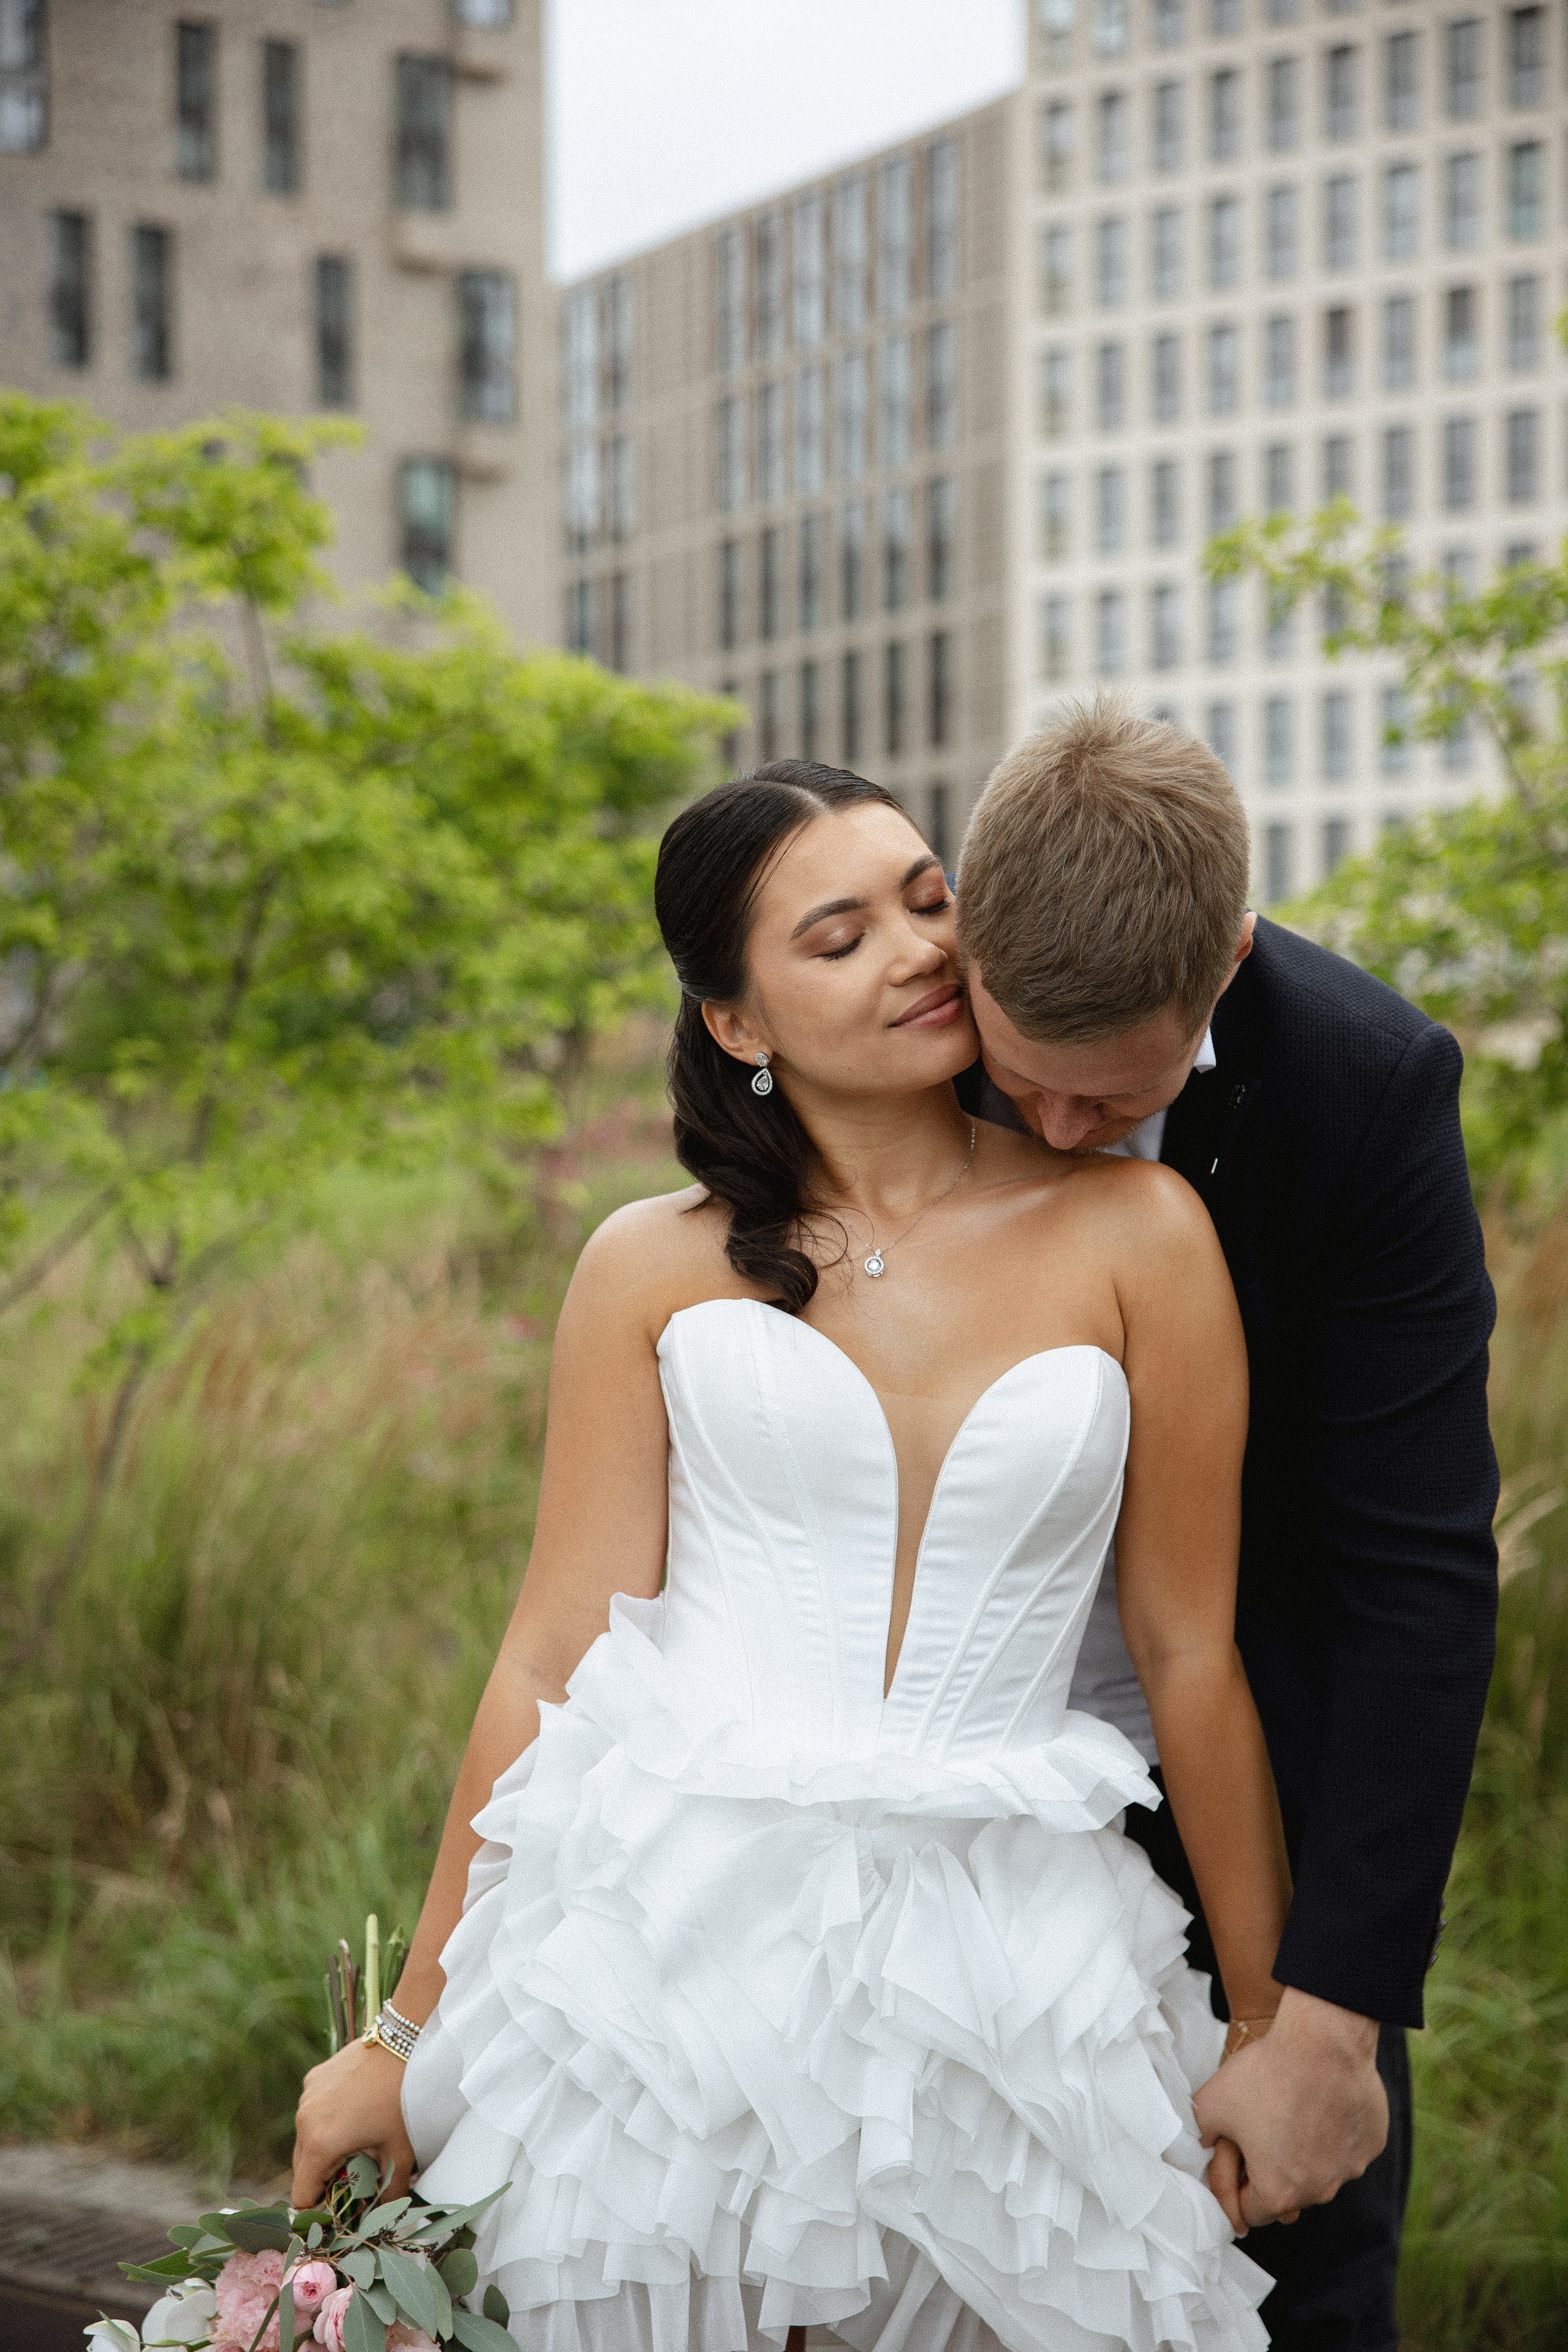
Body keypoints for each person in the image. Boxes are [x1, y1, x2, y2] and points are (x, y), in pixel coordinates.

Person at [293, 757, 1295, 2351]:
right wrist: (406, 2032)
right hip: (674, 1948)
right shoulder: (647, 1265)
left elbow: (1190, 1652)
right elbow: (553, 1651)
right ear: (737, 1022)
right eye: (839, 937)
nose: (915, 950)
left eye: (927, 900)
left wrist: (1265, 2025)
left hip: (1017, 1952)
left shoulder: (1144, 1232)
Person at [954, 703, 1499, 2351]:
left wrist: (1330, 2017)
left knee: (1293, 2295)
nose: (1063, 1137)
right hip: (932, 1828)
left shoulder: (1365, 1085)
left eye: (1108, 1099)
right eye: (1023, 1087)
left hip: (1248, 1823)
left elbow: (1415, 1573)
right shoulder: (886, 1032)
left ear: (1231, 959)